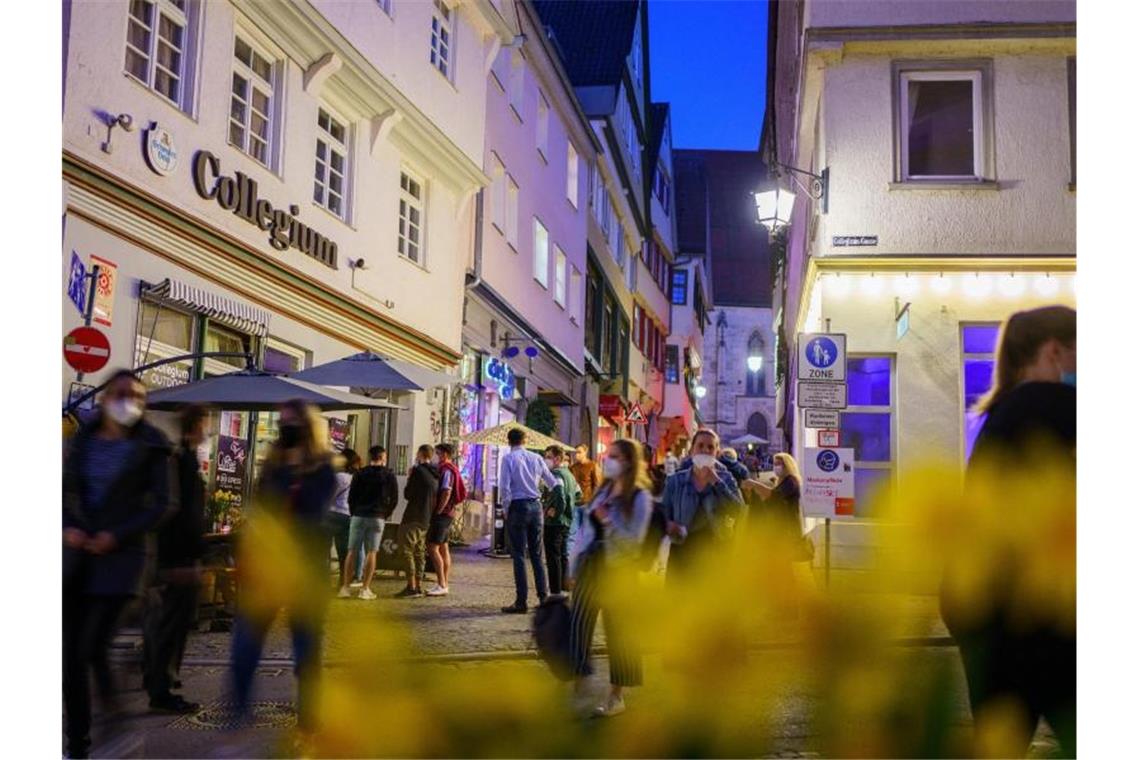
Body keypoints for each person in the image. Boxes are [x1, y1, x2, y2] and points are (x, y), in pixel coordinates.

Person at [941, 305, 1076, 758]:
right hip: (1036, 614)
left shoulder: (999, 413)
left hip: (986, 610)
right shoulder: (1053, 406)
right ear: (1056, 351)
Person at [63, 369, 171, 758]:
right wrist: (68, 528)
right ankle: (78, 741)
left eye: (139, 397)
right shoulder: (83, 441)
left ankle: (113, 719)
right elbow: (63, 490)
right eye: (123, 393)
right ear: (107, 397)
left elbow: (161, 504)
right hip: (78, 559)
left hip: (122, 560)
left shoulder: (153, 445)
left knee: (89, 647)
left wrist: (117, 534)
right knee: (69, 656)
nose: (131, 402)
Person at [230, 400, 336, 744]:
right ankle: (238, 718)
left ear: (309, 428)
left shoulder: (323, 469)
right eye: (283, 423)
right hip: (267, 570)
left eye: (293, 424)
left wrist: (298, 472)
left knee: (306, 652)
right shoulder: (273, 466)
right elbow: (264, 509)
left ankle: (310, 722)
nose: (286, 429)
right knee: (245, 646)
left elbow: (312, 511)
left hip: (305, 573)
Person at [566, 439, 653, 718]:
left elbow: (635, 543)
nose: (608, 459)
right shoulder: (603, 489)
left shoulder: (639, 497)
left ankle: (616, 697)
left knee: (620, 635)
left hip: (619, 572)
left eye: (614, 456)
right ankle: (579, 688)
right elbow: (584, 531)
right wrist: (573, 567)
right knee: (578, 627)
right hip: (591, 566)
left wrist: (609, 522)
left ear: (628, 461)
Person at [144, 404, 210, 714]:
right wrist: (184, 558)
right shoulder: (180, 461)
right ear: (194, 426)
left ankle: (158, 680)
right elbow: (178, 513)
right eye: (205, 424)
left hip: (178, 556)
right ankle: (162, 689)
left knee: (166, 625)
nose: (207, 430)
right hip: (178, 558)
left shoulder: (185, 459)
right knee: (171, 626)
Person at [659, 429, 744, 582]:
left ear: (717, 453)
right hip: (682, 553)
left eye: (710, 447)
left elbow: (739, 511)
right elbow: (662, 514)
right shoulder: (675, 481)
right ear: (692, 451)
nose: (705, 450)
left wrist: (717, 482)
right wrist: (669, 524)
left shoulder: (726, 478)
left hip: (715, 553)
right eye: (700, 446)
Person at [499, 427, 564, 613]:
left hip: (518, 507)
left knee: (519, 554)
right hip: (535, 507)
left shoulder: (508, 459)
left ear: (509, 441)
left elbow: (505, 488)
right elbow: (552, 482)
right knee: (536, 554)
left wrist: (505, 508)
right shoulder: (536, 458)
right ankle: (543, 598)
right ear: (525, 441)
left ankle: (521, 602)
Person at [338, 446, 398, 600]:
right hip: (377, 517)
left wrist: (354, 512)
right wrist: (385, 514)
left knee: (352, 550)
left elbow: (351, 497)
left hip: (358, 515)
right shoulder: (389, 475)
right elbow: (394, 498)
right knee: (372, 551)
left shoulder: (360, 473)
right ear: (383, 457)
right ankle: (365, 589)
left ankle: (345, 587)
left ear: (370, 457)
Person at [397, 445, 438, 598]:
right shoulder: (435, 473)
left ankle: (411, 586)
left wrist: (409, 478)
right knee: (420, 552)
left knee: (406, 550)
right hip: (426, 517)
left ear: (420, 454)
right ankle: (418, 585)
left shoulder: (417, 471)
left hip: (413, 515)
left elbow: (408, 494)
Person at [425, 443, 465, 597]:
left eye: (438, 453)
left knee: (432, 547)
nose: (436, 455)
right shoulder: (450, 468)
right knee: (443, 548)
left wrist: (438, 510)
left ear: (445, 454)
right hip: (449, 514)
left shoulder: (446, 469)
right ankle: (444, 583)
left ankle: (442, 584)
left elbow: (446, 491)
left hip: (443, 514)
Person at [541, 446, 581, 596]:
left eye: (549, 456)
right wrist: (568, 509)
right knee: (563, 555)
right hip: (567, 521)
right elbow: (578, 494)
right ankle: (565, 589)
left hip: (555, 523)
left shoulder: (556, 474)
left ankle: (555, 592)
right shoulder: (569, 474)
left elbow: (560, 496)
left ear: (558, 458)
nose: (547, 459)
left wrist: (556, 512)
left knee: (553, 557)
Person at [324, 448, 359, 583]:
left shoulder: (339, 477)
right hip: (348, 516)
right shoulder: (356, 478)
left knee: (325, 550)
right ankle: (343, 583)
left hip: (332, 515)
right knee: (343, 552)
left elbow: (329, 496)